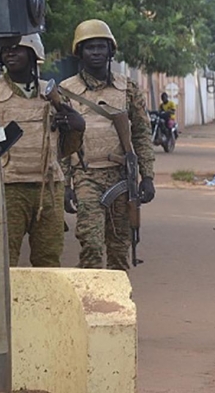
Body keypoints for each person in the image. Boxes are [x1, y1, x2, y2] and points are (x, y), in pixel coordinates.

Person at [59, 19, 156, 271]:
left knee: (119, 246)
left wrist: (147, 176)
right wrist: (64, 185)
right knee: (91, 243)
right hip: (85, 175)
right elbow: (60, 143)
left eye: (101, 47)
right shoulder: (65, 91)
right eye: (89, 47)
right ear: (79, 52)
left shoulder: (128, 88)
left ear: (111, 51)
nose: (96, 53)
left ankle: (117, 302)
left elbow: (142, 134)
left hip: (121, 177)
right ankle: (92, 301)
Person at [0, 33, 84, 267]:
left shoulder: (52, 94)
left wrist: (76, 127)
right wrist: (7, 135)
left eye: (17, 49)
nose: (10, 54)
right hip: (9, 187)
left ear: (34, 54)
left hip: (49, 187)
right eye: (6, 50)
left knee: (49, 259)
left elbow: (65, 148)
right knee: (4, 259)